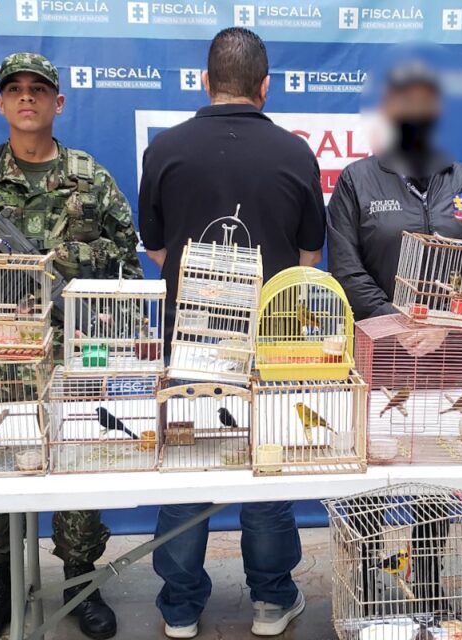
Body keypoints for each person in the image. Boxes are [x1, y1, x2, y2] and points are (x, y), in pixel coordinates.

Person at [0, 53, 141, 640]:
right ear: (0, 103)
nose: (27, 98)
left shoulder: (90, 177)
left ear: (59, 103)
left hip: (74, 355)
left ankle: (81, 579)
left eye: (39, 89)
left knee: (78, 470)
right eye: (15, 89)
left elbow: (131, 266)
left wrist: (114, 325)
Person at [136, 27, 322, 639]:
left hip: (188, 339)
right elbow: (307, 262)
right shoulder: (297, 154)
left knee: (188, 471)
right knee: (265, 470)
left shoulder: (164, 149)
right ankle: (271, 602)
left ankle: (181, 608)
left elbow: (158, 248)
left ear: (204, 81)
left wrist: (208, 288)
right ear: (265, 87)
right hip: (271, 342)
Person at [327, 50, 462, 323]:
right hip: (381, 340)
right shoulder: (356, 181)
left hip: (453, 341)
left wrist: (444, 325)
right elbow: (347, 270)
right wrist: (399, 322)